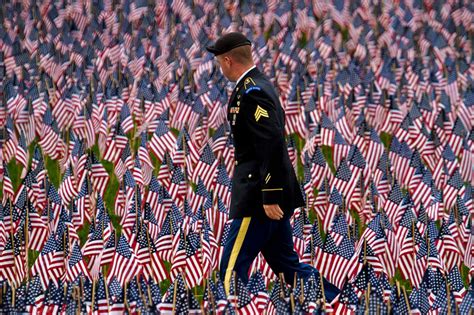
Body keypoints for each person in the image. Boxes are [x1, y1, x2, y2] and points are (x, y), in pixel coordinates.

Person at [206, 32, 340, 302]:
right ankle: (343, 304)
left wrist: (270, 194)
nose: (221, 68)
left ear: (229, 60)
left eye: (220, 62)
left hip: (258, 197)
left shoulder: (253, 91)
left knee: (231, 271)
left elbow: (270, 142)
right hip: (264, 194)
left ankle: (234, 308)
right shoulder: (253, 86)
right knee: (288, 268)